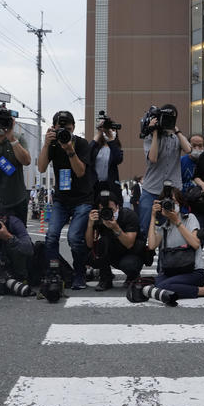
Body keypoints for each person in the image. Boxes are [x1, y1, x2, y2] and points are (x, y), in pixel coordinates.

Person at [128, 191, 204, 305]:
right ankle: (176, 288)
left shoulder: (189, 218)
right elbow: (151, 245)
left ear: (180, 204)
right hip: (172, 272)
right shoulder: (164, 224)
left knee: (163, 286)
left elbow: (196, 244)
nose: (170, 205)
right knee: (148, 284)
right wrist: (153, 216)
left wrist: (176, 221)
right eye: (166, 202)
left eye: (174, 202)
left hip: (194, 271)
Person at [38, 110, 94, 290]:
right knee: (51, 235)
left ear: (74, 128)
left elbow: (80, 172)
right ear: (53, 128)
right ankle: (53, 273)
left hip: (82, 199)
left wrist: (70, 150)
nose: (64, 133)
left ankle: (79, 274)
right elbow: (40, 168)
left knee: (74, 238)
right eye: (60, 129)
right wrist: (46, 144)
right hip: (61, 199)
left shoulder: (82, 143)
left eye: (68, 129)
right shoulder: (52, 145)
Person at [139, 104, 191, 236]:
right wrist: (155, 133)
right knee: (145, 227)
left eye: (172, 118)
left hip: (173, 191)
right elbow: (153, 158)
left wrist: (177, 131)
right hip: (151, 189)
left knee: (170, 229)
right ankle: (146, 254)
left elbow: (189, 150)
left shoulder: (176, 138)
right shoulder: (150, 136)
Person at [85, 186, 143, 292]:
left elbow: (129, 244)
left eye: (110, 210)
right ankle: (105, 279)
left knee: (130, 265)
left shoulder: (128, 215)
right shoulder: (99, 218)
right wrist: (90, 225)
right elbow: (89, 244)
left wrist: (115, 227)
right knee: (96, 248)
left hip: (129, 253)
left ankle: (132, 276)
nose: (107, 213)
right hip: (111, 253)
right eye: (103, 210)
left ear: (118, 206)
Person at [89, 113, 124, 201]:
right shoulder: (96, 148)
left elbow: (118, 159)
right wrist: (99, 133)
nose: (109, 131)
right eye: (108, 129)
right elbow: (87, 154)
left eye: (112, 129)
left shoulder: (116, 148)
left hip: (111, 186)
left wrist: (111, 139)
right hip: (95, 185)